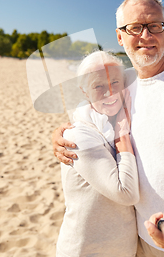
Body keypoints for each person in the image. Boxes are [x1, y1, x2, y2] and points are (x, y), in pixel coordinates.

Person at [52, 0, 164, 256]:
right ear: (120, 37)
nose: (146, 35)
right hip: (139, 239)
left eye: (155, 25)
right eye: (135, 27)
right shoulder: (123, 81)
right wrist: (61, 133)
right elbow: (89, 108)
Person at [56, 51, 139, 257]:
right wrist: (123, 138)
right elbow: (126, 193)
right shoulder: (78, 136)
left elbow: (148, 73)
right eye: (98, 86)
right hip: (86, 250)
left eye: (115, 82)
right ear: (84, 91)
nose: (109, 92)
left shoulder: (115, 121)